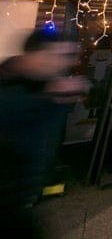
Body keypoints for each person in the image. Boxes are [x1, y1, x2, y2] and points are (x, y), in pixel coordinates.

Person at [0, 29, 86, 237]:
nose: (65, 64)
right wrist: (50, 97)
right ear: (39, 54)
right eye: (60, 56)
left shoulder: (43, 86)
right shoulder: (12, 88)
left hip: (23, 195)